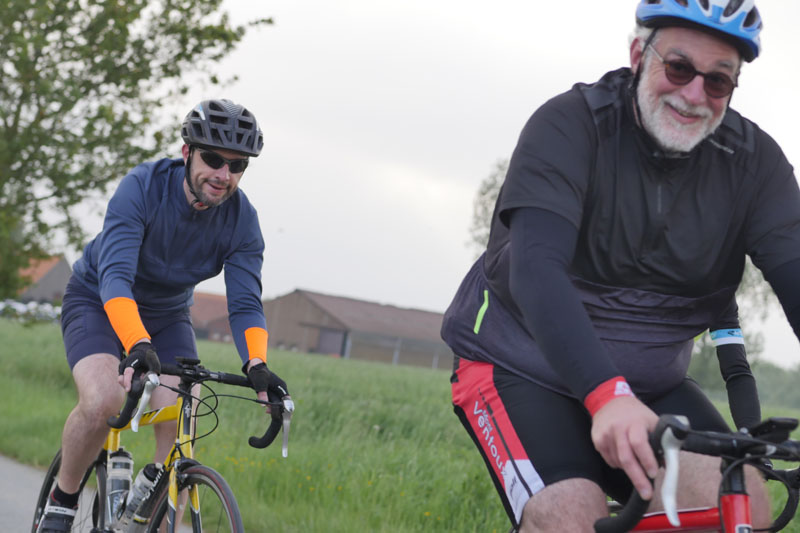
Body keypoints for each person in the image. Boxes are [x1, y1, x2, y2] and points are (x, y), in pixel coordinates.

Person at [441, 0, 795, 530]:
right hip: (520, 365)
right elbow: (536, 269)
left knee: (741, 498)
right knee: (568, 515)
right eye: (679, 68)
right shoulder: (569, 125)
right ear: (637, 55)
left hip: (651, 384)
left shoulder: (755, 164)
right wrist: (606, 394)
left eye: (718, 81)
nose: (694, 95)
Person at [37, 99, 290, 533]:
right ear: (187, 152)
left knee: (184, 416)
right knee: (102, 401)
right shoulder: (142, 187)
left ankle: (151, 503)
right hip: (98, 299)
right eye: (213, 159)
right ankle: (63, 500)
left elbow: (246, 303)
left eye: (237, 165)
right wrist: (137, 344)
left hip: (168, 314)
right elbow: (116, 276)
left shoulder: (242, 220)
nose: (223, 174)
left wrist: (257, 364)